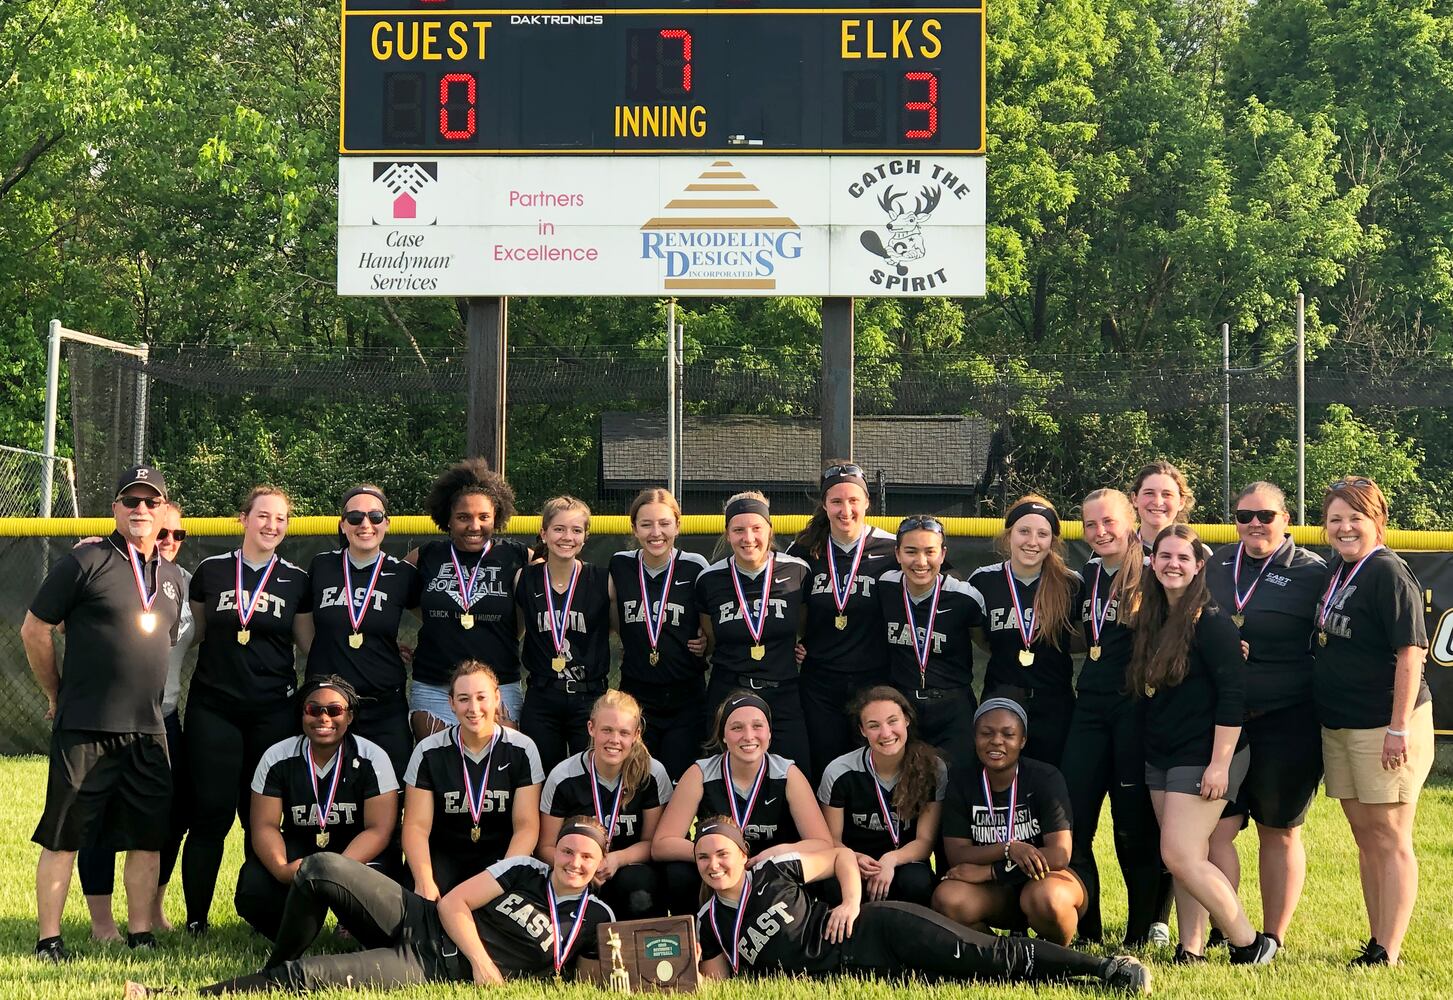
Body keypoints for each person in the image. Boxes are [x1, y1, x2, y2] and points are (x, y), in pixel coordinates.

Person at [127, 818, 617, 996]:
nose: (573, 861)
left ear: (599, 866)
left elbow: (605, 975)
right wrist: (485, 966)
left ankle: (170, 995)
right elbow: (453, 906)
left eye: (586, 857)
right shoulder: (523, 869)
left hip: (431, 966)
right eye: (568, 850)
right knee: (320, 865)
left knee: (310, 978)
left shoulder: (599, 917)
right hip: (423, 920)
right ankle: (270, 970)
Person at [23, 464, 186, 959]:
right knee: (64, 835)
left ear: (163, 512)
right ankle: (49, 939)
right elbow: (35, 629)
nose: (140, 510)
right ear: (115, 508)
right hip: (86, 725)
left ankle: (140, 933)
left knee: (148, 837)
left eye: (149, 502)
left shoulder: (174, 577)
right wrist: (56, 693)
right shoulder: (85, 561)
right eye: (130, 501)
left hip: (148, 728)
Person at [691, 818, 1148, 992]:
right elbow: (718, 982)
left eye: (723, 853)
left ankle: (1105, 967)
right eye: (704, 858)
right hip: (857, 972)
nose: (715, 865)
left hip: (874, 931)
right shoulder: (708, 920)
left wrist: (850, 902)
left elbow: (839, 856)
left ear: (743, 854)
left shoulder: (771, 872)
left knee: (982, 957)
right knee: (969, 979)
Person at [1130, 524, 1277, 964]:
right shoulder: (1152, 616)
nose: (1172, 564)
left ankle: (1250, 942)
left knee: (1177, 853)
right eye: (1164, 556)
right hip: (1163, 753)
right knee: (1184, 858)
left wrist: (1219, 764)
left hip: (1207, 754)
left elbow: (1233, 698)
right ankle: (1190, 948)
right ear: (1152, 563)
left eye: (1182, 558)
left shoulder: (1211, 622)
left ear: (1198, 567)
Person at [180, 485, 312, 934]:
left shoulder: (297, 579)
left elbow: (311, 644)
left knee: (262, 817)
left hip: (272, 711)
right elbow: (188, 633)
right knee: (210, 815)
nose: (271, 525)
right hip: (213, 708)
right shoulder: (211, 570)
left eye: (280, 519)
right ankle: (196, 918)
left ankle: (259, 913)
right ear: (243, 519)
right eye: (263, 516)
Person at [1315, 476, 1434, 966]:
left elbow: (1411, 653)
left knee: (1389, 835)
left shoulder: (1387, 571)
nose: (1344, 528)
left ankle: (1389, 948)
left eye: (1355, 518)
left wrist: (1397, 727)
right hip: (1342, 721)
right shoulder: (1338, 569)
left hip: (1384, 724)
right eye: (1335, 519)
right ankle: (1376, 938)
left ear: (1377, 522)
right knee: (1365, 836)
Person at [1204, 481, 1328, 950]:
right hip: (1223, 718)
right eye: (1244, 515)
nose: (1254, 524)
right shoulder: (1214, 563)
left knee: (1278, 830)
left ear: (1286, 519)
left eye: (1266, 516)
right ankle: (1225, 926)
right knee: (1217, 828)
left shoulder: (1313, 571)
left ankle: (1273, 934)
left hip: (1287, 716)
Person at [77, 500, 195, 940]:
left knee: (168, 819)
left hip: (164, 718)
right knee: (101, 818)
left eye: (176, 535)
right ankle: (102, 924)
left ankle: (151, 910)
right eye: (161, 533)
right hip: (109, 718)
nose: (168, 541)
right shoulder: (105, 569)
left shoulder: (184, 582)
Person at [1058, 488, 1170, 946]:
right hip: (1089, 707)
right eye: (1090, 524)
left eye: (1109, 522)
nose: (1100, 532)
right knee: (1074, 821)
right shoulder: (1082, 576)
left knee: (1133, 827)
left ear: (1131, 522)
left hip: (1135, 710)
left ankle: (1142, 933)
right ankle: (1088, 928)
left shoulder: (1153, 571)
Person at [236, 676, 399, 939]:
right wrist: (281, 869)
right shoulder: (277, 757)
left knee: (385, 892)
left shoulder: (373, 758)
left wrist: (334, 870)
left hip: (355, 854)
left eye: (334, 710)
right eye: (313, 710)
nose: (324, 718)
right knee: (256, 888)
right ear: (302, 714)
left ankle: (352, 924)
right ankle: (289, 925)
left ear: (349, 716)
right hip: (302, 849)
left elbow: (379, 830)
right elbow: (264, 826)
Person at [653, 692, 832, 915]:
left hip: (771, 868)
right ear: (723, 736)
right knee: (678, 874)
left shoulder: (787, 774)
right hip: (718, 871)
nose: (748, 736)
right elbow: (661, 844)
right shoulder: (700, 773)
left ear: (769, 733)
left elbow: (823, 844)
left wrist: (779, 853)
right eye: (737, 728)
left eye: (757, 726)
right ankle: (698, 939)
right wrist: (715, 855)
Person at [932, 699, 1085, 945]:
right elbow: (957, 854)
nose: (996, 741)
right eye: (986, 733)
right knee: (948, 898)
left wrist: (992, 870)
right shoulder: (961, 782)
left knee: (1047, 899)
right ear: (974, 738)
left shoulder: (1045, 778)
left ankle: (1057, 956)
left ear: (1022, 740)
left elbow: (1058, 855)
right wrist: (1009, 848)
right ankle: (1002, 956)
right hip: (995, 892)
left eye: (1008, 734)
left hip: (1045, 880)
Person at [299, 484, 422, 780]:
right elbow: (304, 626)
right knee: (326, 790)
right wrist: (325, 654)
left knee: (391, 790)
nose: (365, 524)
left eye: (375, 516)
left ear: (387, 523)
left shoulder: (402, 574)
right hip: (328, 706)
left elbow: (432, 619)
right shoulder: (322, 565)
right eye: (354, 517)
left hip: (383, 705)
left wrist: (417, 649)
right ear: (343, 525)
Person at [787, 462, 898, 781]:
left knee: (875, 766)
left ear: (867, 502)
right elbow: (789, 604)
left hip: (875, 678)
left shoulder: (892, 548)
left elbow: (940, 579)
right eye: (836, 501)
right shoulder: (805, 549)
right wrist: (796, 641)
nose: (845, 509)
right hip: (820, 680)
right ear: (824, 504)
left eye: (853, 500)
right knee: (824, 766)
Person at [401, 661, 544, 898]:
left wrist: (503, 875)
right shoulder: (428, 751)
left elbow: (526, 827)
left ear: (497, 698)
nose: (473, 708)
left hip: (500, 856)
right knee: (418, 910)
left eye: (481, 697)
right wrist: (424, 881)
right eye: (464, 698)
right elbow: (416, 826)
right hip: (445, 854)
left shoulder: (522, 748)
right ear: (451, 703)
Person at [406, 459, 528, 735]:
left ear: (496, 516)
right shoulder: (426, 556)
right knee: (441, 772)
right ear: (447, 518)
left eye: (483, 516)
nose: (475, 525)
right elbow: (386, 596)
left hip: (498, 686)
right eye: (463, 517)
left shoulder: (516, 557)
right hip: (435, 687)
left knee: (497, 773)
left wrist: (512, 629)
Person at [695, 492, 813, 770]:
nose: (748, 538)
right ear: (727, 534)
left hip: (782, 690)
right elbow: (709, 639)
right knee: (719, 777)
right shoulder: (709, 579)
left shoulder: (797, 571)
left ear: (769, 530)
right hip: (728, 690)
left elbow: (805, 626)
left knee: (799, 773)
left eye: (756, 528)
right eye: (738, 530)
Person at [539, 690, 675, 919]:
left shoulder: (651, 774)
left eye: (624, 732)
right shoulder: (563, 777)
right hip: (576, 869)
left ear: (636, 734)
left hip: (626, 867)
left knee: (640, 885)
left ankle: (641, 950)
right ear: (591, 728)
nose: (615, 740)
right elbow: (545, 847)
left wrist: (617, 859)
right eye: (607, 730)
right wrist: (582, 866)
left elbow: (651, 843)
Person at [968, 496, 1082, 765]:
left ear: (1052, 541)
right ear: (1009, 536)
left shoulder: (1071, 584)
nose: (1032, 541)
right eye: (1024, 531)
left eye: (1042, 534)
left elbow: (1080, 639)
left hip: (1054, 702)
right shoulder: (983, 580)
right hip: (1001, 697)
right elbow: (982, 639)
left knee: (1051, 788)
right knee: (998, 789)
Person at [608, 488, 711, 779]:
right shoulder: (621, 564)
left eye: (665, 523)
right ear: (634, 528)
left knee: (679, 781)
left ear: (678, 525)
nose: (656, 532)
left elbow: (708, 625)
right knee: (636, 780)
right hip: (636, 693)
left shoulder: (695, 566)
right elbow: (613, 618)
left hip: (685, 695)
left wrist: (706, 641)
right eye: (646, 524)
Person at [817, 686, 946, 907]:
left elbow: (925, 842)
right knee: (833, 884)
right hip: (856, 862)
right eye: (873, 726)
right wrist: (854, 858)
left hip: (904, 862)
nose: (885, 733)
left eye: (892, 721)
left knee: (917, 882)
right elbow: (831, 841)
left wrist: (890, 860)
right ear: (862, 731)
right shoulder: (839, 772)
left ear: (906, 719)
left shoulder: (932, 768)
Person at [877, 515, 984, 765]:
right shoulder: (884, 587)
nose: (921, 561)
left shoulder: (965, 597)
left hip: (952, 705)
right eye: (911, 551)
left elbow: (987, 644)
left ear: (943, 554)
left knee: (955, 784)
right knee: (905, 786)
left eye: (930, 551)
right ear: (898, 553)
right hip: (902, 705)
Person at [515, 495, 613, 770]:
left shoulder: (603, 580)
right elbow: (515, 630)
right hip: (542, 696)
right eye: (559, 529)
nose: (567, 537)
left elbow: (624, 628)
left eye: (576, 530)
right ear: (544, 533)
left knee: (590, 776)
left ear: (586, 536)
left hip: (589, 696)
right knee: (542, 779)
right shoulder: (523, 578)